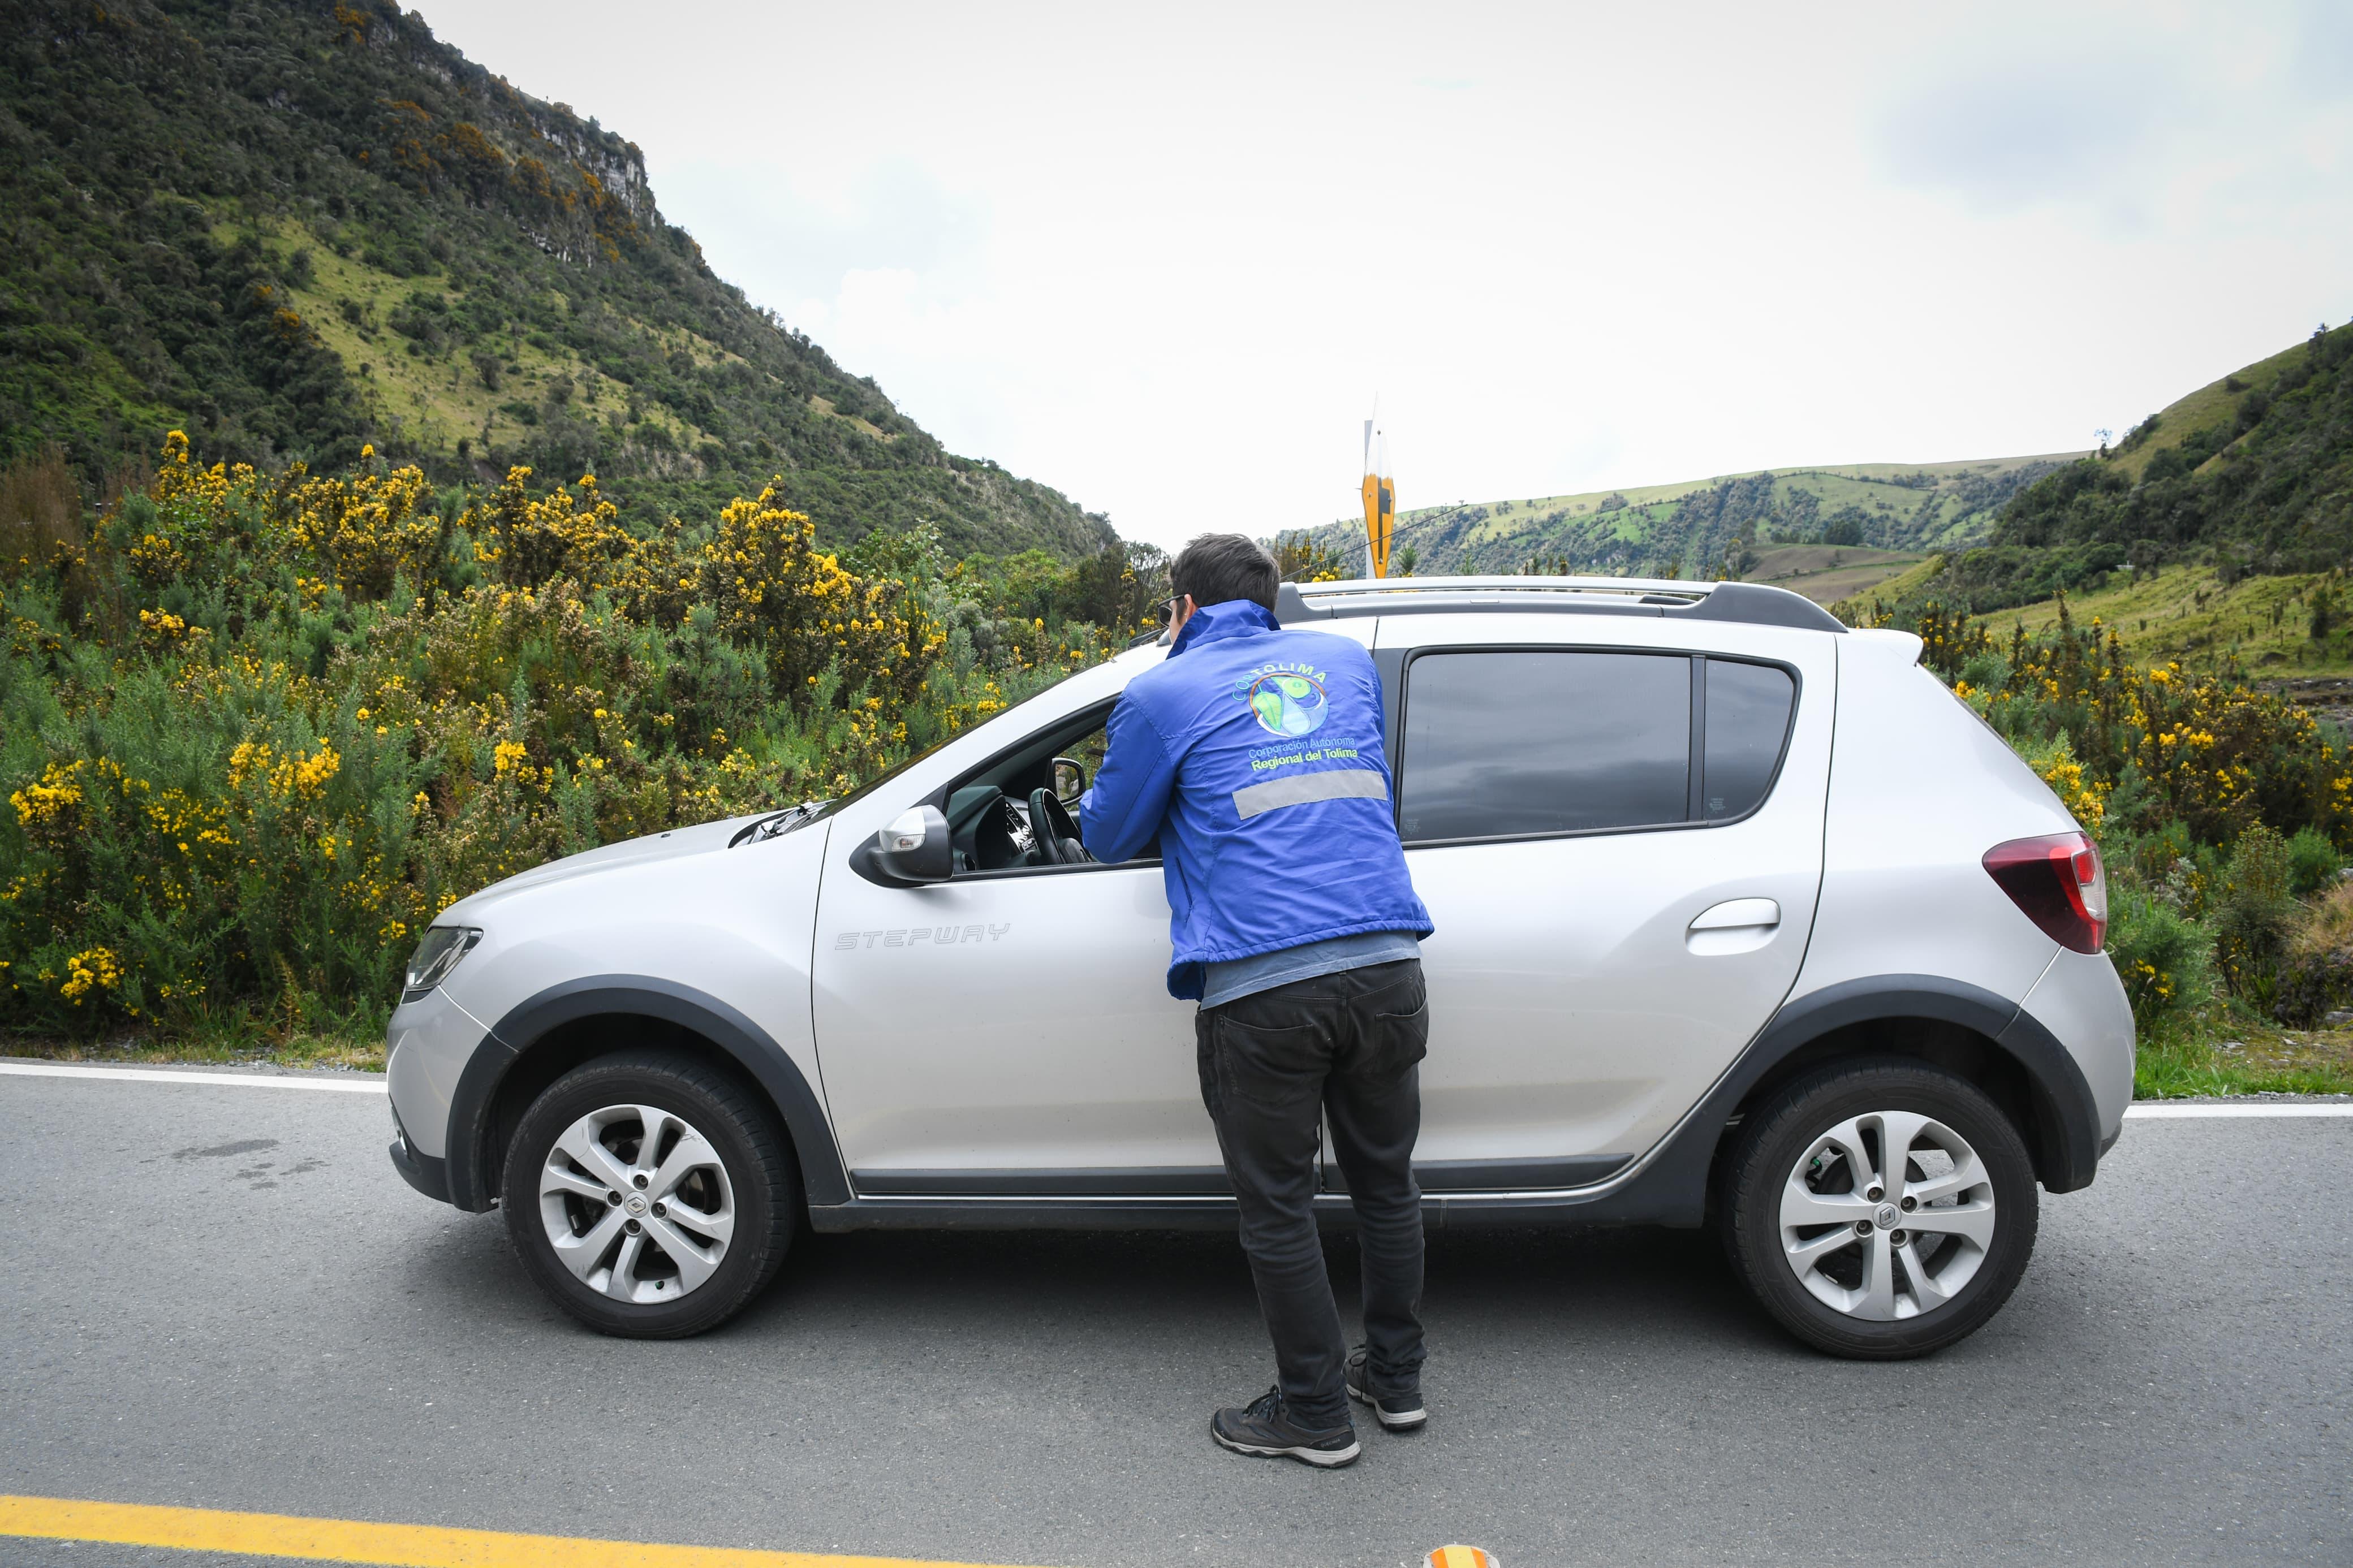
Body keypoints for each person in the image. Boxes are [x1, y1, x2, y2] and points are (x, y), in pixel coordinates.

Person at [1078, 533, 1435, 1469]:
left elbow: (1110, 833)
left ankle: (1314, 1414)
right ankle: (1395, 1381)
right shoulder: (1344, 662)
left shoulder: (1162, 691)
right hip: (1390, 966)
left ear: (1183, 608)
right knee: (1387, 1183)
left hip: (1266, 986)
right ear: (1268, 600)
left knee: (1279, 1207)